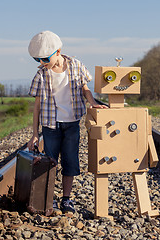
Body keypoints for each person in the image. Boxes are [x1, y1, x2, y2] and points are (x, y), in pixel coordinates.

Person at [27, 30, 107, 213]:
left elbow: (85, 88)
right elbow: (37, 106)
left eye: (45, 59)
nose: (42, 63)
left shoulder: (76, 66)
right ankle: (49, 199)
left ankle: (66, 199)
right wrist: (34, 135)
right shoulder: (41, 74)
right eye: (37, 60)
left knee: (70, 162)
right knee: (50, 163)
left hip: (71, 124)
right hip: (50, 126)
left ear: (58, 51)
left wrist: (93, 103)